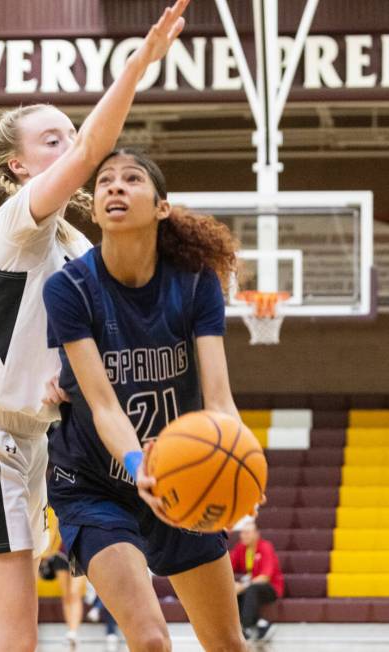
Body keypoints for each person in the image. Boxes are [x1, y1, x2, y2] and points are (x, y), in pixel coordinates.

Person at [0, 3, 190, 651]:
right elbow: (99, 147)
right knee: (14, 637)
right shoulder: (19, 222)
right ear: (18, 167)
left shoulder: (75, 247)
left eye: (70, 134)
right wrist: (139, 63)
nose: (71, 146)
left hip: (32, 444)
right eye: (53, 140)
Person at [43, 149, 248, 652]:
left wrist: (244, 459)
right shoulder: (69, 289)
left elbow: (218, 398)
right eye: (105, 182)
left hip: (179, 475)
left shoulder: (197, 282)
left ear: (161, 207)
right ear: (92, 210)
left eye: (131, 179)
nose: (115, 187)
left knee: (228, 644)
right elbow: (103, 405)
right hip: (94, 484)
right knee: (152, 639)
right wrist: (140, 466)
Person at [230, 519, 284, 641]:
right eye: (242, 532)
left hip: (270, 587)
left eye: (247, 533)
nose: (243, 535)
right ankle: (259, 623)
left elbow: (265, 577)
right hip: (252, 585)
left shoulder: (265, 547)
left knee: (250, 589)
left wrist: (242, 586)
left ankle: (247, 626)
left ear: (256, 534)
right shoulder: (240, 548)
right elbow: (228, 567)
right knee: (235, 592)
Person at [42, 507, 86, 648]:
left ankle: (74, 632)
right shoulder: (56, 505)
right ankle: (70, 631)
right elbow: (51, 530)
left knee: (74, 593)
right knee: (66, 595)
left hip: (77, 551)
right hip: (59, 552)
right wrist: (47, 552)